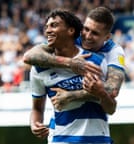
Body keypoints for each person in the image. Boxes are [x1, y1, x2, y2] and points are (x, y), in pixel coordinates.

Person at [29, 9, 113, 143]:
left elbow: (111, 108)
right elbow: (37, 108)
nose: (48, 30)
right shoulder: (39, 68)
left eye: (54, 25)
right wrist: (35, 123)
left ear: (71, 30)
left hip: (98, 139)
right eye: (47, 27)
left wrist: (101, 94)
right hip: (61, 139)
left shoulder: (96, 61)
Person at [23, 6, 125, 113]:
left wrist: (72, 95)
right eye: (86, 29)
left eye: (95, 33)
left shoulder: (115, 52)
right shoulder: (72, 38)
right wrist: (70, 63)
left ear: (107, 37)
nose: (87, 36)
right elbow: (29, 56)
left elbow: (112, 90)